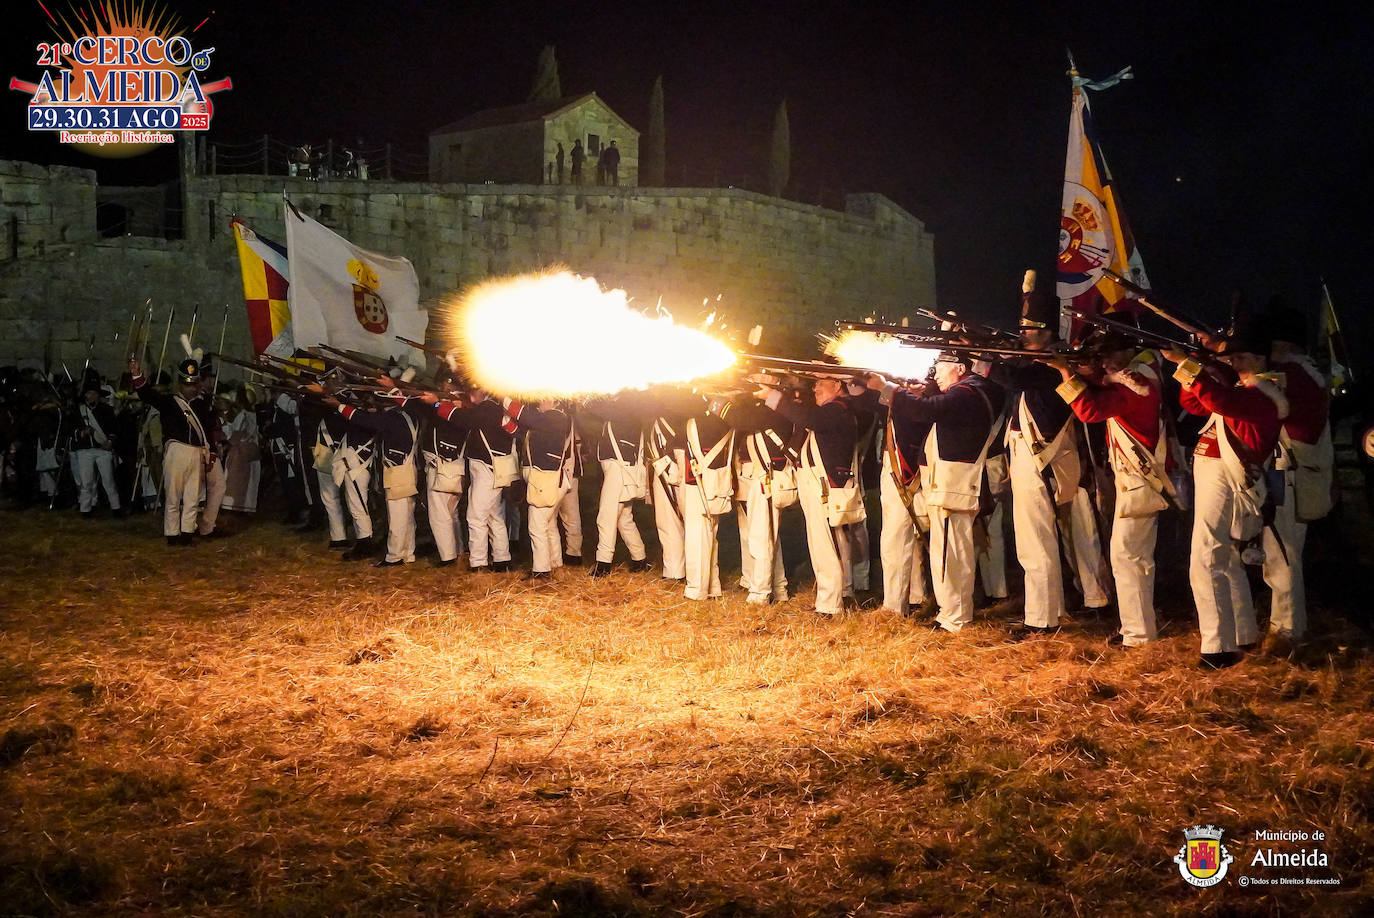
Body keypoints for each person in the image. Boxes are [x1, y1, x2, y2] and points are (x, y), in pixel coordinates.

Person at [992, 274, 1111, 638]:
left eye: (1031, 330)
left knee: (1036, 540)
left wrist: (983, 361)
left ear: (1047, 332)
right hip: (1033, 456)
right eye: (1023, 329)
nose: (1024, 335)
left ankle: (1042, 619)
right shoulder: (1039, 363)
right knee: (1043, 539)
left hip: (1043, 458)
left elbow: (1017, 381)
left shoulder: (1054, 366)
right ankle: (1053, 608)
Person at [1163, 316, 1285, 669]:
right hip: (1216, 474)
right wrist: (1197, 368)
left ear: (1261, 359)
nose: (1233, 362)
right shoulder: (1244, 389)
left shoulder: (1264, 394)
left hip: (1228, 477)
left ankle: (1217, 646)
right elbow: (1195, 403)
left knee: (1208, 556)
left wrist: (1187, 365)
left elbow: (1218, 401)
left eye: (1241, 356)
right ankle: (1242, 634)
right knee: (1225, 558)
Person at [1048, 333, 1171, 648]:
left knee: (1128, 556)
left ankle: (1139, 634)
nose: (1105, 362)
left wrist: (1065, 373)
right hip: (1133, 480)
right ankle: (1135, 628)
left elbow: (1090, 411)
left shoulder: (1133, 382)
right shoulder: (1135, 376)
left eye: (1111, 355)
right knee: (1130, 556)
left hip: (1139, 481)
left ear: (1129, 351)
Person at [881, 353, 1006, 632]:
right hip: (947, 485)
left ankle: (955, 617)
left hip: (954, 487)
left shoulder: (968, 392)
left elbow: (927, 410)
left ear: (960, 368)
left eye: (940, 368)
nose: (934, 374)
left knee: (952, 555)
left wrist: (889, 389)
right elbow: (926, 410)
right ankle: (950, 613)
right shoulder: (964, 392)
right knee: (947, 552)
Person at [1262, 303, 1333, 650]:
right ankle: (1286, 626)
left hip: (1288, 471)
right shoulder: (1307, 371)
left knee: (1282, 551)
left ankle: (1288, 630)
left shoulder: (1291, 372)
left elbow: (1258, 391)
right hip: (1296, 470)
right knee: (1284, 550)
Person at [765, 374, 861, 615]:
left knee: (826, 545)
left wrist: (772, 396)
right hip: (818, 484)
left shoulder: (837, 409)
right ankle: (833, 596)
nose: (815, 387)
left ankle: (830, 604)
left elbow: (809, 418)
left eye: (820, 383)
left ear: (837, 385)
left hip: (825, 485)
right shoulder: (830, 409)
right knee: (824, 544)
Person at [130, 355, 214, 545]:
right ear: (180, 384)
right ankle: (172, 533)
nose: (191, 388)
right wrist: (137, 376)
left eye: (194, 384)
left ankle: (187, 533)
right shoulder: (169, 401)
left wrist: (211, 452)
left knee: (193, 496)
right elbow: (147, 395)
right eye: (187, 384)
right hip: (176, 450)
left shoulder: (201, 404)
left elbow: (206, 430)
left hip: (196, 452)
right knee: (173, 495)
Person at [719, 396, 794, 604]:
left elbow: (740, 419)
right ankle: (778, 588)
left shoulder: (771, 411)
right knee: (761, 536)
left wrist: (715, 401)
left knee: (763, 538)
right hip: (749, 478)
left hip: (766, 480)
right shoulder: (760, 410)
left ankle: (760, 593)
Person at [872, 366, 933, 615]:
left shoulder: (930, 401)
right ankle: (906, 600)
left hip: (914, 470)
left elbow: (914, 416)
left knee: (904, 538)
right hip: (901, 468)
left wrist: (892, 389)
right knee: (898, 538)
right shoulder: (905, 400)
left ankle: (900, 605)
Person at [504, 398, 575, 578]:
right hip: (547, 481)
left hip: (547, 481)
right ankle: (555, 563)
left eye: (544, 399)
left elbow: (528, 418)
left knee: (536, 527)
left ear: (556, 402)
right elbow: (524, 433)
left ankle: (541, 570)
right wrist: (505, 419)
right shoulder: (547, 421)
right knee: (549, 525)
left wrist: (503, 397)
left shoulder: (556, 417)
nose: (539, 403)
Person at [583, 393, 652, 576]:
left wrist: (583, 398)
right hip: (621, 469)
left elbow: (596, 408)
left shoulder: (624, 407)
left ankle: (603, 564)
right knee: (624, 519)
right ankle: (640, 559)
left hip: (618, 470)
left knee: (606, 517)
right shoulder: (627, 408)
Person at [681, 401, 734, 600]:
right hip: (717, 481)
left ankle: (697, 589)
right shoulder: (727, 420)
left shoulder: (700, 421)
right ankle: (712, 586)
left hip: (698, 482)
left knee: (697, 538)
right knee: (711, 537)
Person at [72, 379, 123, 517]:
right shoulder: (78, 411)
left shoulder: (107, 410)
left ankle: (116, 508)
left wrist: (110, 442)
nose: (91, 396)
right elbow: (71, 430)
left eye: (94, 393)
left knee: (108, 480)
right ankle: (86, 509)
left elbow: (115, 430)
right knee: (86, 482)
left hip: (103, 450)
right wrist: (82, 433)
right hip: (84, 450)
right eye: (89, 393)